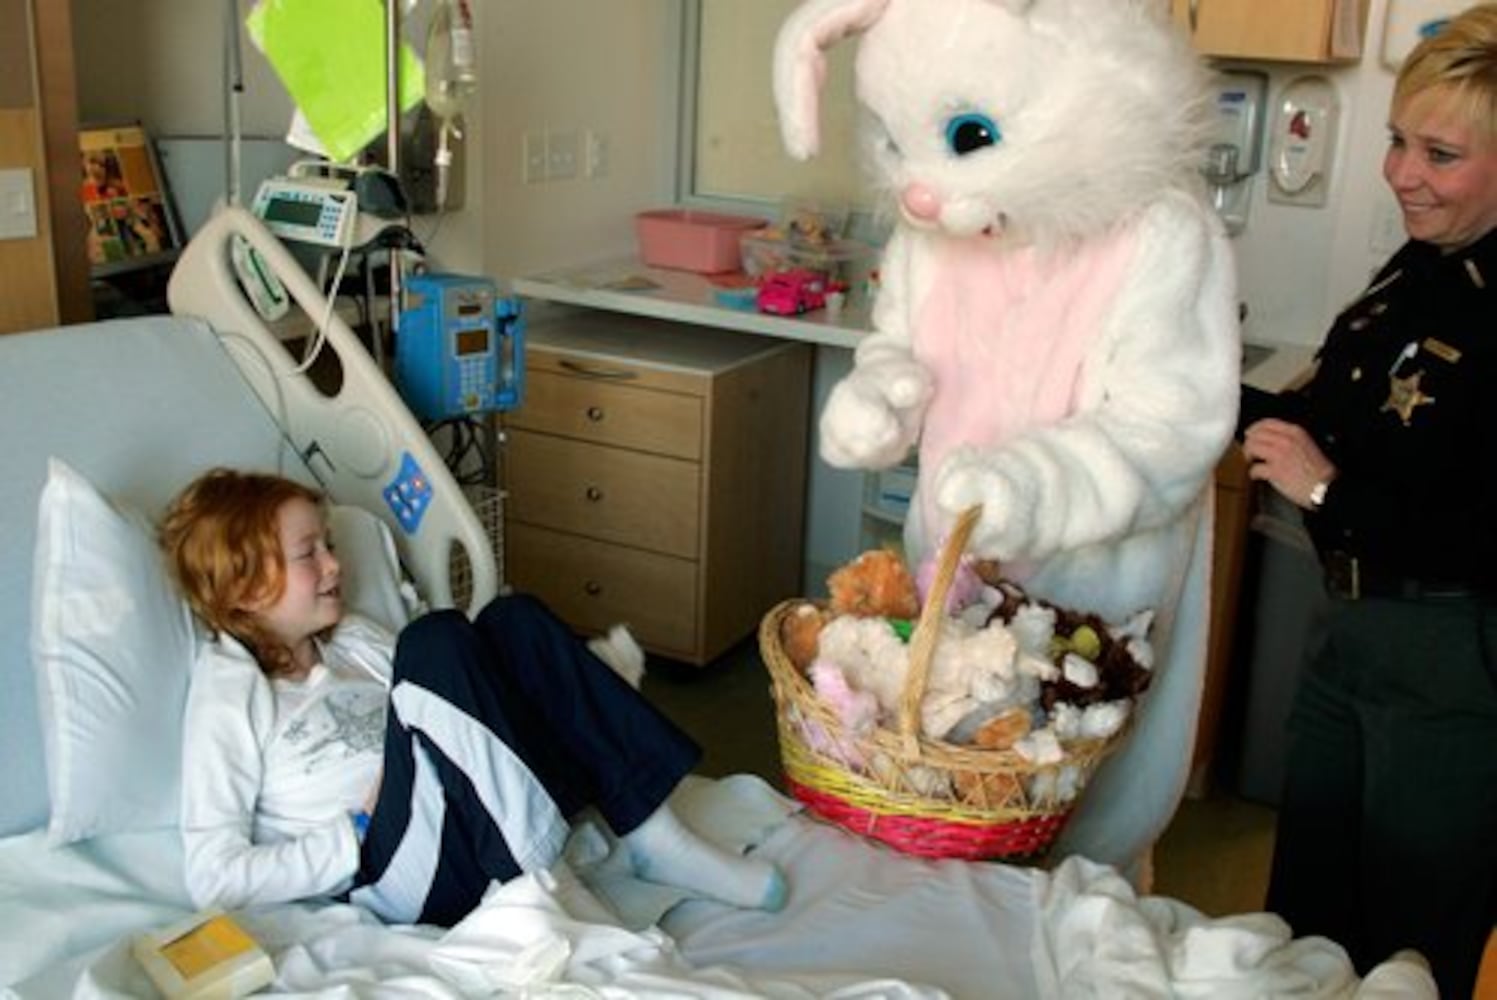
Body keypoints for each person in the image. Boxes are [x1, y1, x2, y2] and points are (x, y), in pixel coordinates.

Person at [162, 468, 787, 928]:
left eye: (329, 544)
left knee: (510, 620)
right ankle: (545, 888)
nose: (334, 565)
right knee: (434, 640)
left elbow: (463, 707)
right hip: (396, 872)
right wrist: (352, 831)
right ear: (243, 589)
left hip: (470, 816)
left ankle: (657, 840)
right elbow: (214, 876)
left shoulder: (352, 641)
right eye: (309, 555)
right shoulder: (230, 696)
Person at [1240, 6, 1497, 996]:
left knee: (1412, 939)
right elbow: (1332, 424)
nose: (1401, 173)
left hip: (1448, 660)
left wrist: (1327, 491)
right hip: (1347, 628)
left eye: (1441, 153)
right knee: (1302, 919)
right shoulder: (1417, 269)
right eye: (1397, 140)